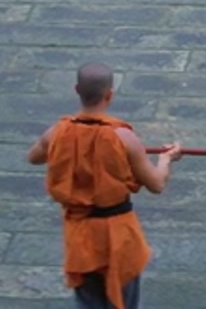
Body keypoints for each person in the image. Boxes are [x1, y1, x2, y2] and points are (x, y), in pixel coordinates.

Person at [27, 63, 182, 309]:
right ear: (109, 94)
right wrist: (166, 159)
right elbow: (156, 184)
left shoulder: (57, 132)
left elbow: (34, 157)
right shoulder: (124, 138)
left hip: (80, 235)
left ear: (77, 90)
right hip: (118, 234)